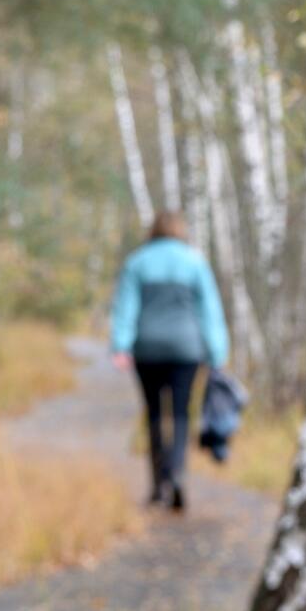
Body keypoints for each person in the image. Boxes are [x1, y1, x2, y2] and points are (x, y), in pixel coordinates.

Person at [109, 209, 229, 512]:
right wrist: (217, 354)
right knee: (179, 414)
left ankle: (157, 485)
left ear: (153, 231)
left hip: (147, 348)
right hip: (186, 350)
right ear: (180, 230)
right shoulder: (194, 262)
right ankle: (176, 474)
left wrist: (121, 346)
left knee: (152, 414)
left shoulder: (137, 262)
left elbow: (126, 307)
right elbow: (209, 311)